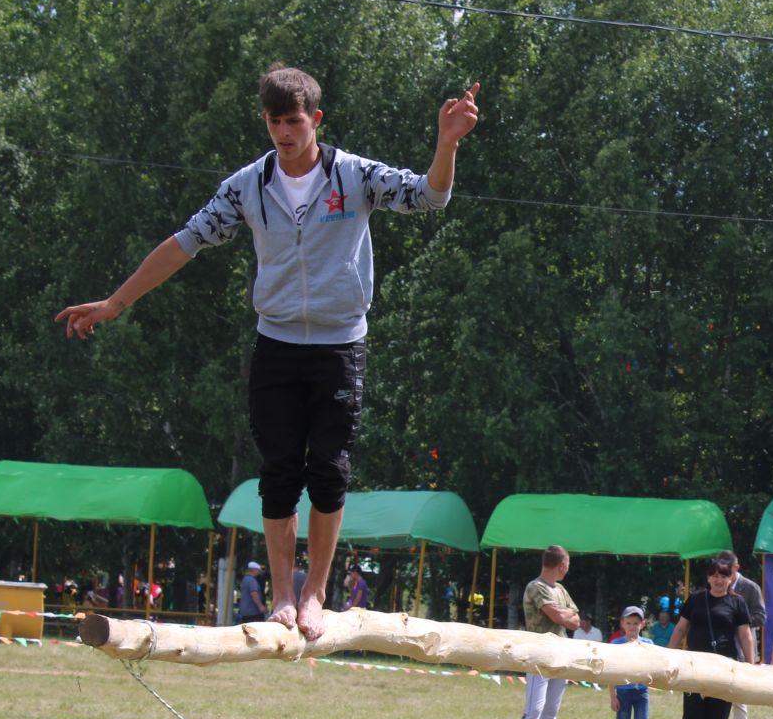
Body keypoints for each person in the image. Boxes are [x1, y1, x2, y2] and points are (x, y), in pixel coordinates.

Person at [57, 65, 479, 640]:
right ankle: (282, 593)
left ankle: (314, 592)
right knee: (279, 474)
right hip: (276, 343)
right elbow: (185, 243)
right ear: (266, 120)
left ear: (316, 120)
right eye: (275, 121)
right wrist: (116, 302)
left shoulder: (352, 176)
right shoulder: (248, 186)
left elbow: (429, 196)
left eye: (294, 121)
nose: (284, 132)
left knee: (328, 471)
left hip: (339, 344)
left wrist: (446, 144)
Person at [669, 553, 755, 719]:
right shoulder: (696, 599)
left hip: (724, 668)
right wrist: (669, 655)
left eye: (723, 576)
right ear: (708, 578)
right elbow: (680, 628)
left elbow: (745, 636)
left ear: (730, 578)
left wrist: (750, 665)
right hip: (694, 667)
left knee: (717, 717)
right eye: (714, 575)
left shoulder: (737, 602)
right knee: (692, 716)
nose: (718, 580)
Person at [515, 545, 581, 719]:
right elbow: (558, 616)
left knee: (551, 710)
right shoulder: (535, 587)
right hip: (539, 655)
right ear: (562, 565)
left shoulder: (561, 590)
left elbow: (575, 619)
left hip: (560, 654)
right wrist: (565, 615)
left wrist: (565, 615)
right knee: (534, 708)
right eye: (568, 564)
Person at [727, 555, 767, 719]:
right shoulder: (716, 584)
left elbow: (761, 616)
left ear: (737, 566)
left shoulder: (750, 587)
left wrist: (739, 621)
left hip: (743, 649)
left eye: (728, 567)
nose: (723, 571)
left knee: (739, 700)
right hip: (720, 649)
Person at [608, 605, 655, 719]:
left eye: (636, 623)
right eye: (629, 623)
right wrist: (613, 696)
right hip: (623, 692)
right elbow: (611, 672)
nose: (632, 627)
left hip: (641, 692)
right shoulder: (616, 644)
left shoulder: (648, 644)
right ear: (622, 624)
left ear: (642, 624)